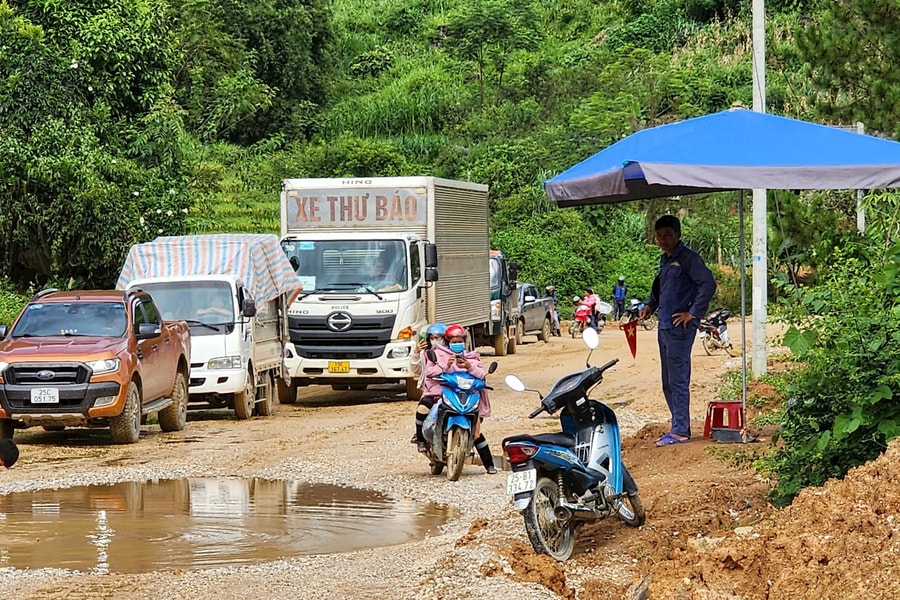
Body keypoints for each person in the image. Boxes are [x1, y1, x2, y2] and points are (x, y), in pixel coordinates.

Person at [639, 215, 716, 447]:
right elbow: (660, 289)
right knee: (668, 381)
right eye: (659, 236)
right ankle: (677, 425)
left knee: (679, 379)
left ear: (678, 235)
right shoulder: (666, 260)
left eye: (668, 235)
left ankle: (681, 431)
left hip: (680, 328)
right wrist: (650, 305)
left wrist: (693, 313)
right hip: (664, 326)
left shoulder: (688, 259)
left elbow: (708, 284)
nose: (663, 240)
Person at [414, 324, 498, 474]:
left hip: (467, 395)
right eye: (453, 342)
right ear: (448, 341)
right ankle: (422, 439)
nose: (456, 344)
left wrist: (468, 367)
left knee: (476, 432)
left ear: (464, 341)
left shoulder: (472, 357)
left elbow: (481, 375)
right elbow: (430, 371)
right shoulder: (439, 355)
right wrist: (446, 365)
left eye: (459, 341)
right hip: (446, 394)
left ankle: (489, 465)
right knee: (426, 409)